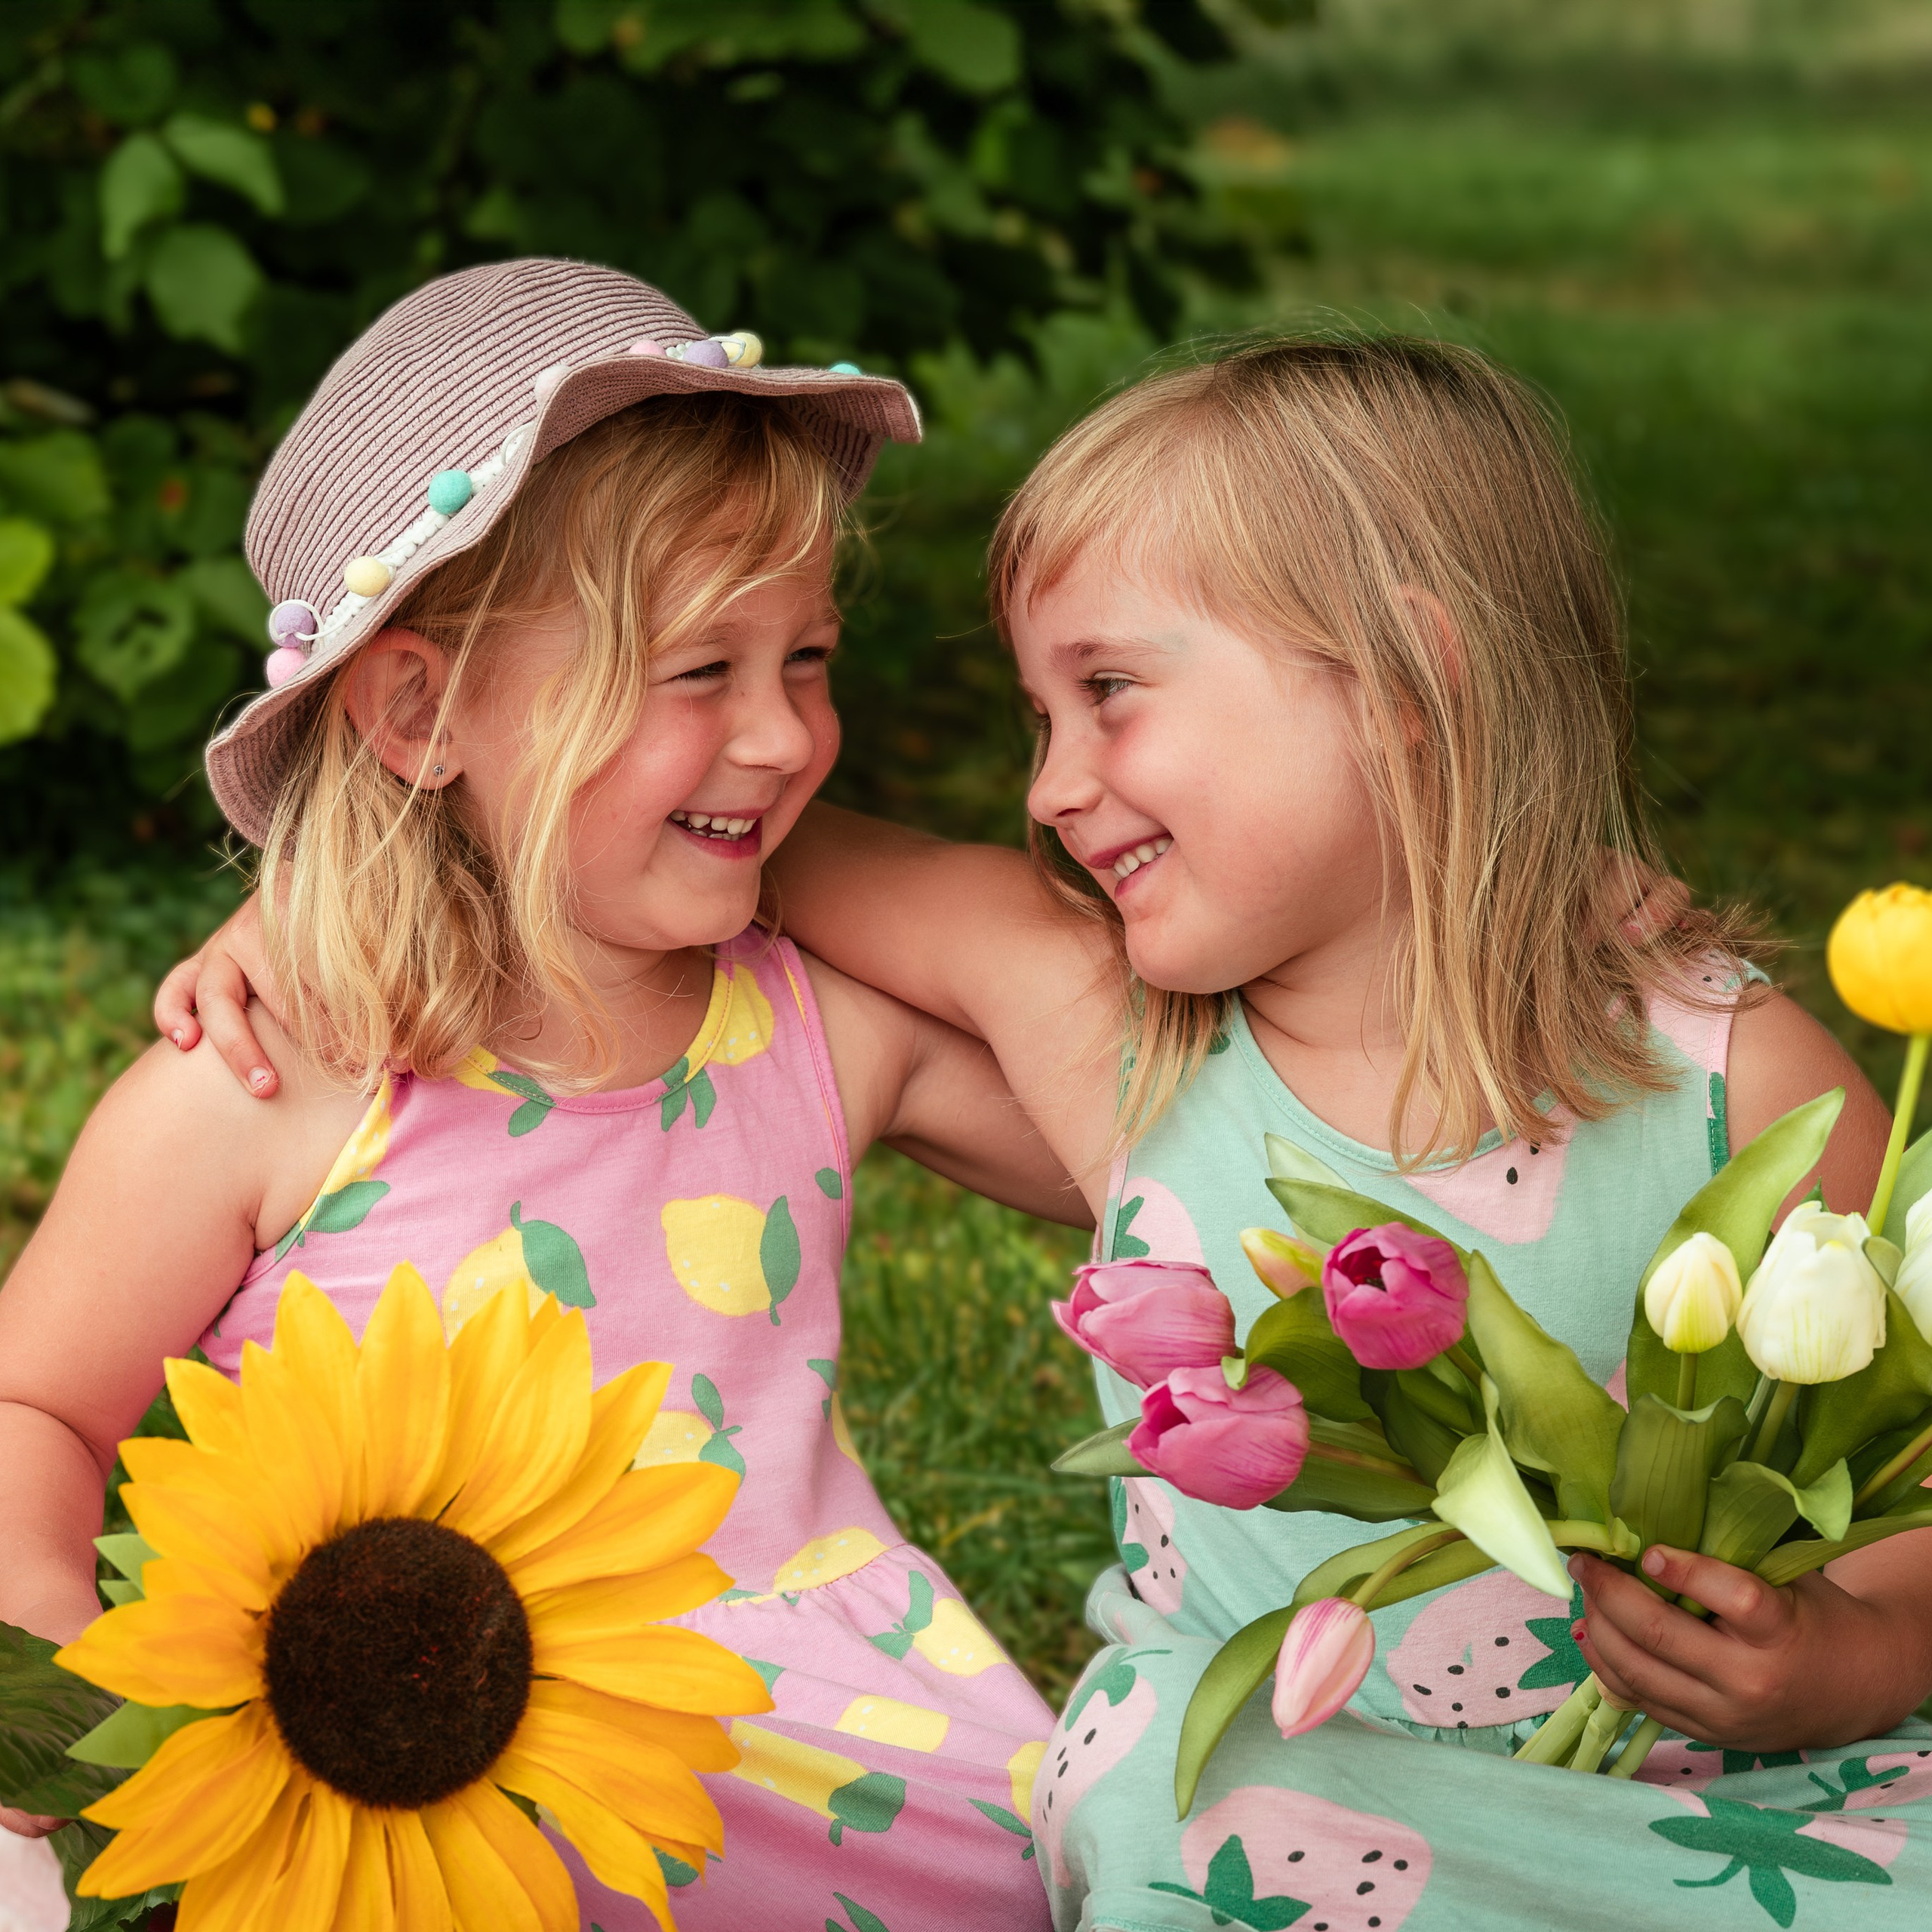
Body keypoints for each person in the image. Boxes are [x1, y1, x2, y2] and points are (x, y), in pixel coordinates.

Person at [160, 337, 1932, 1928]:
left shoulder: (1731, 1079)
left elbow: (1908, 1468)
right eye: (1035, 713)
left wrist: (1839, 1665)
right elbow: (691, 824)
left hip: (1712, 1823)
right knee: (1175, 1792)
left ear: (1409, 677)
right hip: (1310, 1803)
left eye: (1107, 693)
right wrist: (350, 871)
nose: (1047, 783)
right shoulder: (1111, 1035)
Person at [0, 260, 1080, 1932]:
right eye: (698, 670)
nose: (789, 735)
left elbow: (1143, 1160)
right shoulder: (269, 1090)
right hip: (417, 1793)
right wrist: (43, 1641)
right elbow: (35, 1408)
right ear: (422, 707)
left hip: (839, 1769)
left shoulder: (802, 1030)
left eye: (804, 659)